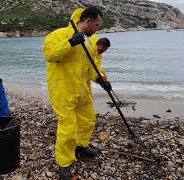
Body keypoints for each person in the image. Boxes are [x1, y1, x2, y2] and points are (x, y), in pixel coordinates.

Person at [43, 7, 111, 179]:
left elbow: (91, 68)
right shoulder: (57, 35)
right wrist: (71, 42)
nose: (97, 29)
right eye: (96, 25)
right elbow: (50, 55)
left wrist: (101, 80)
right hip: (62, 90)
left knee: (88, 121)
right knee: (67, 128)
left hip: (82, 91)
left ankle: (81, 146)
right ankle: (64, 162)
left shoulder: (91, 40)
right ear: (87, 21)